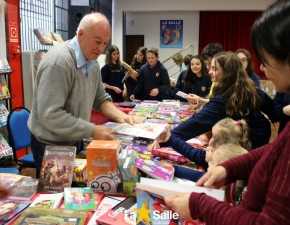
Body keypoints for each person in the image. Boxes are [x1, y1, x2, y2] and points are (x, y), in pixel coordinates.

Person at [164, 1, 290, 224]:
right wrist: (230, 168)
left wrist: (199, 204)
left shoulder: (226, 97)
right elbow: (275, 146)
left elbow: (193, 124)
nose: (262, 69)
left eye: (267, 60)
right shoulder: (249, 89)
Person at [28, 12, 133, 178]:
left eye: (105, 43)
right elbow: (50, 114)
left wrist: (122, 116)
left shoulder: (91, 61)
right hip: (51, 145)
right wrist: (92, 130)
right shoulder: (59, 62)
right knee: (57, 197)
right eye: (97, 42)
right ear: (81, 34)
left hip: (74, 140)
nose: (101, 49)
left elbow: (100, 98)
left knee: (76, 196)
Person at [170, 51, 277, 150]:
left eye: (214, 69)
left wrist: (168, 137)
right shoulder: (247, 86)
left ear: (227, 72)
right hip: (259, 135)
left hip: (251, 141)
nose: (210, 71)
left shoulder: (225, 96)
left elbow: (197, 122)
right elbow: (272, 110)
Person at [158, 118, 250, 182]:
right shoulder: (215, 154)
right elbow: (192, 152)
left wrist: (173, 169)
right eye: (212, 136)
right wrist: (170, 139)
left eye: (215, 138)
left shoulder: (223, 165)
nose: (210, 141)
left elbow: (201, 176)